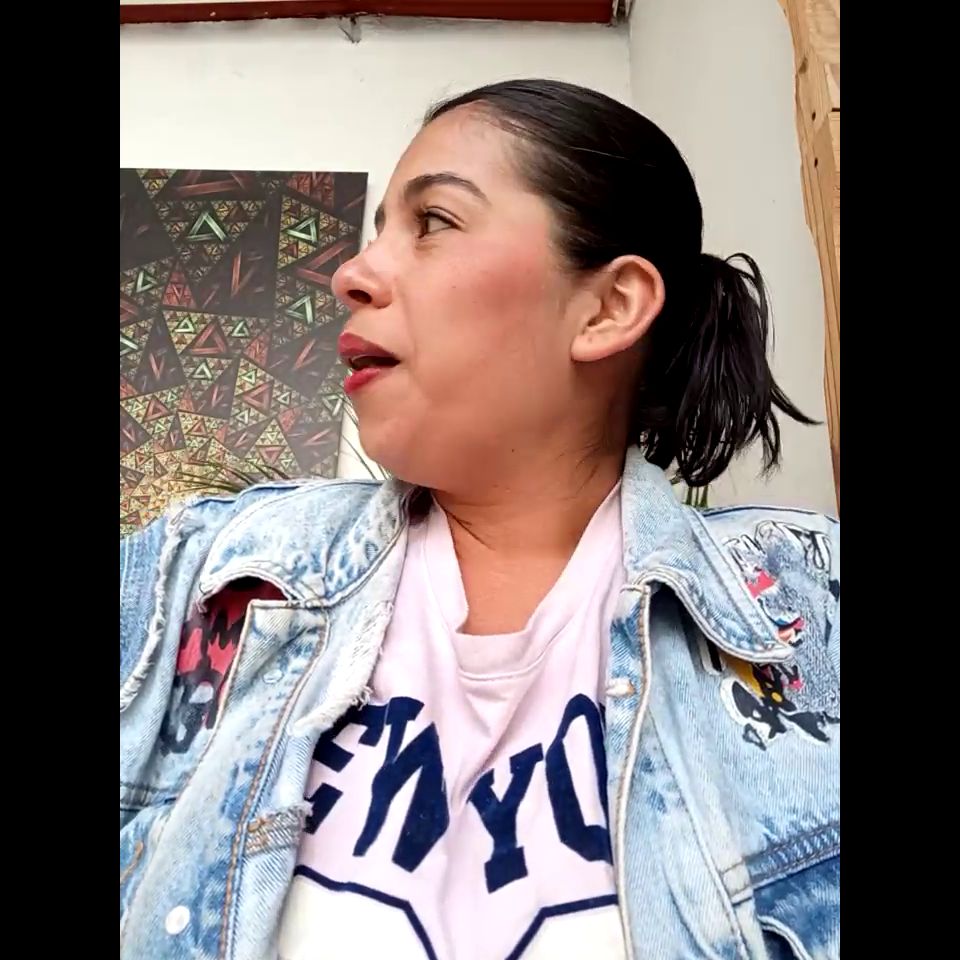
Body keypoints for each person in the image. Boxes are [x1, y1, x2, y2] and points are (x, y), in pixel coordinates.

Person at [120, 79, 839, 960]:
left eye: (433, 222)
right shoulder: (202, 573)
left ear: (608, 307)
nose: (351, 273)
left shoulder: (809, 605)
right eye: (380, 228)